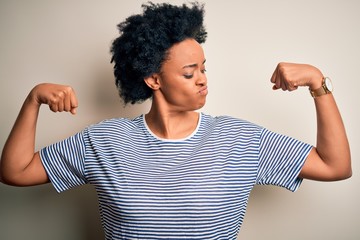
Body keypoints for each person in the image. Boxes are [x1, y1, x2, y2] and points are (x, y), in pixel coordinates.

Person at [0, 2, 351, 240]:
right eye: (189, 72)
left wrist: (319, 84)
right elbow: (15, 172)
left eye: (203, 69)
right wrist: (33, 100)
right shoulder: (105, 141)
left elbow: (335, 166)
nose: (203, 79)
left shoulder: (239, 138)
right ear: (154, 79)